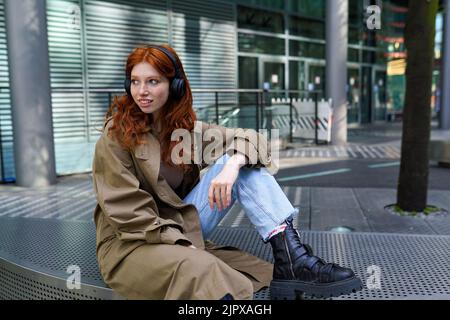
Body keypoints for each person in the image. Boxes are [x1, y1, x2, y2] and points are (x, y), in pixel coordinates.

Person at [92, 44, 362, 300]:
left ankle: (293, 259)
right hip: (133, 240)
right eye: (135, 81)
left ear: (174, 86)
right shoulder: (117, 134)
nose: (142, 91)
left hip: (178, 224)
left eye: (153, 81)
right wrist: (182, 243)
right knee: (202, 271)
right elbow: (127, 213)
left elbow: (255, 140)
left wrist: (232, 164)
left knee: (244, 166)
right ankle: (282, 264)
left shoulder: (185, 129)